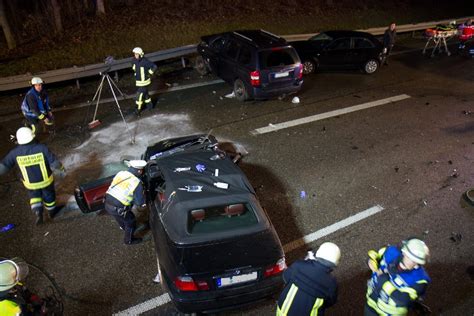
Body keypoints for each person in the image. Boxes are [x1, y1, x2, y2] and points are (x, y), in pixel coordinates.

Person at [0, 127, 65, 225]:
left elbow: (4, 166)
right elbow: (55, 163)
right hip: (46, 181)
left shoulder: (15, 153)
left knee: (34, 196)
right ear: (32, 136)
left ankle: (38, 212)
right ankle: (52, 212)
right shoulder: (42, 148)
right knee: (49, 195)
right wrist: (61, 170)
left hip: (30, 184)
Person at [365, 238, 431, 316]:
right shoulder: (390, 252)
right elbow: (374, 255)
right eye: (409, 258)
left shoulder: (420, 279)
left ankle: (414, 305)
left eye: (416, 262)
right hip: (371, 303)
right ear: (404, 253)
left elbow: (403, 299)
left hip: (390, 313)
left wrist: (385, 283)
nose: (412, 263)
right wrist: (372, 263)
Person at [276, 242, 340, 316]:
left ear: (318, 254)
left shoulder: (299, 265)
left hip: (283, 312)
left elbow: (285, 277)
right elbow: (330, 302)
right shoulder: (332, 283)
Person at [104, 160, 147, 245]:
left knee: (119, 217)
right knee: (131, 222)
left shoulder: (121, 173)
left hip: (107, 203)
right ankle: (128, 240)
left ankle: (123, 227)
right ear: (139, 171)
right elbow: (139, 202)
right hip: (119, 209)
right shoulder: (136, 182)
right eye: (142, 171)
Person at [132, 47, 157, 116]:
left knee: (139, 96)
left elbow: (154, 66)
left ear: (141, 54)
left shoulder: (145, 61)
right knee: (145, 94)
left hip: (144, 82)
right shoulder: (134, 60)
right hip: (139, 82)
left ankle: (137, 110)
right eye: (135, 54)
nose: (135, 55)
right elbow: (134, 67)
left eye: (137, 54)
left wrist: (149, 73)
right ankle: (150, 106)